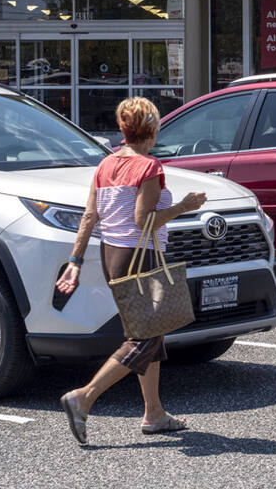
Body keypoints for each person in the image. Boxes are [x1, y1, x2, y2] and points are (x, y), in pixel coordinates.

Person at [56, 97, 207, 444]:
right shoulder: (149, 167)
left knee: (151, 333)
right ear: (151, 130)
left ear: (124, 130)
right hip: (141, 255)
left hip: (113, 256)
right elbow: (144, 221)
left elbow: (89, 217)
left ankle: (153, 413)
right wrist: (184, 206)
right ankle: (84, 397)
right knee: (144, 337)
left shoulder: (104, 165)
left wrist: (75, 262)